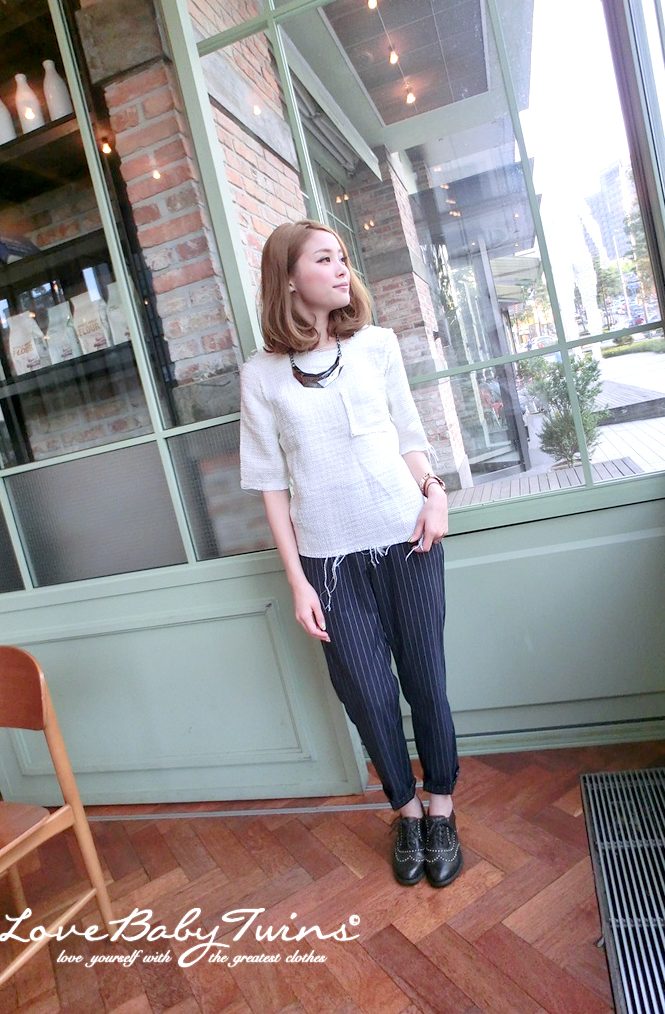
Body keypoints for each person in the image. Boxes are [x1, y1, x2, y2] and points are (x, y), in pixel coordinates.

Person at [239, 219, 461, 888]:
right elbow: (271, 486)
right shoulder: (261, 376)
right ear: (288, 278)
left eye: (343, 257)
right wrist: (297, 581)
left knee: (426, 681)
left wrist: (434, 492)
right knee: (367, 692)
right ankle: (406, 811)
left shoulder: (377, 346)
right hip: (328, 562)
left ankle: (442, 807)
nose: (342, 269)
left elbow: (409, 433)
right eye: (324, 259)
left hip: (408, 540)